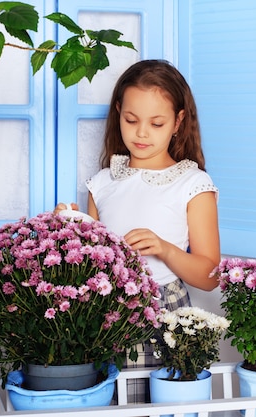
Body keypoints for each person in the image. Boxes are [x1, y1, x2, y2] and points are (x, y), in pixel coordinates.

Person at [56, 59, 220, 401]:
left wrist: (165, 248)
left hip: (166, 310)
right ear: (118, 113)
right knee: (113, 401)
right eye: (131, 120)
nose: (141, 132)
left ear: (178, 122)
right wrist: (71, 228)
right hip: (109, 313)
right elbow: (92, 266)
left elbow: (209, 275)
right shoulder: (101, 184)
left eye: (156, 123)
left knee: (168, 404)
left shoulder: (193, 184)